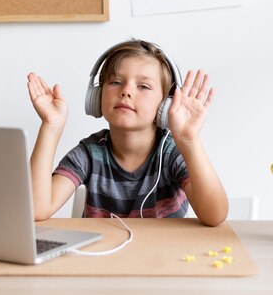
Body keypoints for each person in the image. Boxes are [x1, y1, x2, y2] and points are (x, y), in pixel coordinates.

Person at [27, 39, 228, 226]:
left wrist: (189, 140)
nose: (126, 91)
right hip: (101, 261)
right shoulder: (90, 153)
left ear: (165, 105)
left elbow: (215, 215)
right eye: (115, 82)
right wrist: (51, 127)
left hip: (162, 258)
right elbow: (37, 209)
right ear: (97, 96)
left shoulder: (171, 153)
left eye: (143, 86)